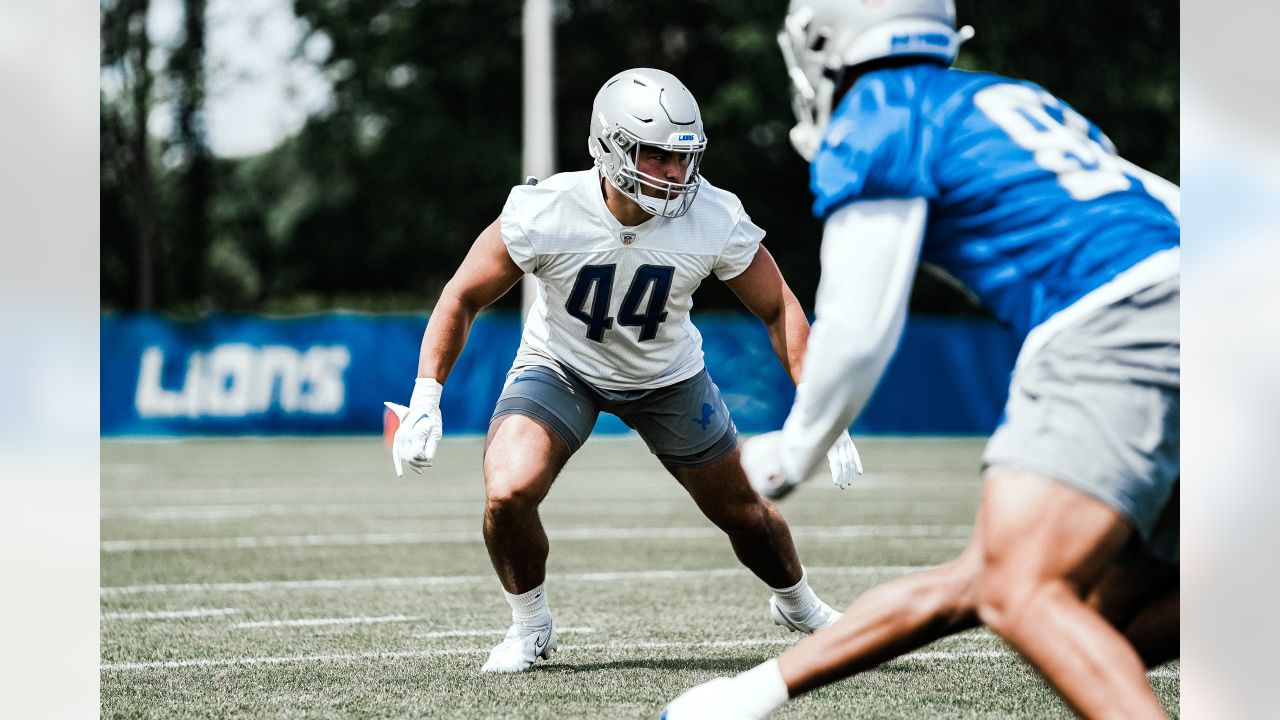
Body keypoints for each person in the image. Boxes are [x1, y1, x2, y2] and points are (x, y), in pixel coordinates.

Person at [665, 1, 1180, 718]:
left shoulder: (877, 116)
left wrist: (799, 445)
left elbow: (859, 321)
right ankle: (742, 699)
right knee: (1096, 619)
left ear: (822, 38)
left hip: (1122, 318)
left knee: (1020, 591)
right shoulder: (1010, 96)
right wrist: (750, 694)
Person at [385, 67, 863, 674]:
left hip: (668, 376)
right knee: (507, 492)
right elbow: (461, 296)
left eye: (684, 158)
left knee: (746, 515)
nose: (675, 173)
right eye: (658, 155)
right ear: (610, 147)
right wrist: (426, 395)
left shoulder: (714, 214)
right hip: (563, 365)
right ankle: (529, 626)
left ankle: (799, 604)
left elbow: (780, 308)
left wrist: (824, 409)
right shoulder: (546, 209)